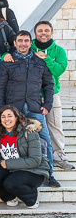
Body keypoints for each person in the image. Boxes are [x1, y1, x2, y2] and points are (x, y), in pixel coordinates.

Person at [0, 30, 58, 187]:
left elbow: (49, 85)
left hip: (34, 108)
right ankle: (9, 173)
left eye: (26, 41)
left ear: (31, 43)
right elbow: (0, 87)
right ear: (15, 43)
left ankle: (49, 173)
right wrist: (1, 109)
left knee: (46, 140)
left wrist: (48, 105)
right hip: (13, 109)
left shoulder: (40, 62)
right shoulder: (7, 62)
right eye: (20, 40)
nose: (23, 43)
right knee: (11, 141)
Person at [0, 105, 50, 208]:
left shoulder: (29, 132)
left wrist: (8, 164)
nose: (6, 119)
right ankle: (9, 197)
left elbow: (35, 160)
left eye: (9, 116)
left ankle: (32, 197)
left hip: (33, 170)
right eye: (3, 117)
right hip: (12, 169)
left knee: (10, 183)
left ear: (16, 117)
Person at [32, 21, 74, 170]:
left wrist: (46, 58)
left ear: (51, 32)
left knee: (55, 126)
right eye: (40, 30)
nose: (43, 33)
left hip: (52, 94)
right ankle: (38, 156)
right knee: (33, 127)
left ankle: (59, 156)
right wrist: (5, 55)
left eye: (46, 30)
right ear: (35, 32)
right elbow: (13, 54)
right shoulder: (29, 47)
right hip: (32, 94)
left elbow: (58, 71)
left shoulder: (59, 51)